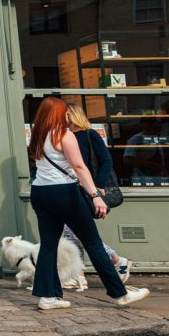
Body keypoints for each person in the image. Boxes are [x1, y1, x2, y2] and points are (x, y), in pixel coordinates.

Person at [28, 97, 149, 309]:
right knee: (92, 242)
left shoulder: (38, 136)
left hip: (39, 192)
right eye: (64, 112)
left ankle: (48, 297)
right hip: (64, 192)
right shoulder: (64, 134)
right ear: (59, 114)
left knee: (48, 245)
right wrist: (95, 196)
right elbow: (79, 167)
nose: (67, 116)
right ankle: (119, 294)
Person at [64, 104, 130, 279]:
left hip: (88, 188)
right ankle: (79, 274)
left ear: (72, 115)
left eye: (64, 115)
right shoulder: (65, 136)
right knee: (72, 229)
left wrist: (98, 186)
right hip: (72, 188)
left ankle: (114, 261)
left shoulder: (89, 134)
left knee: (76, 229)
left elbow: (106, 161)